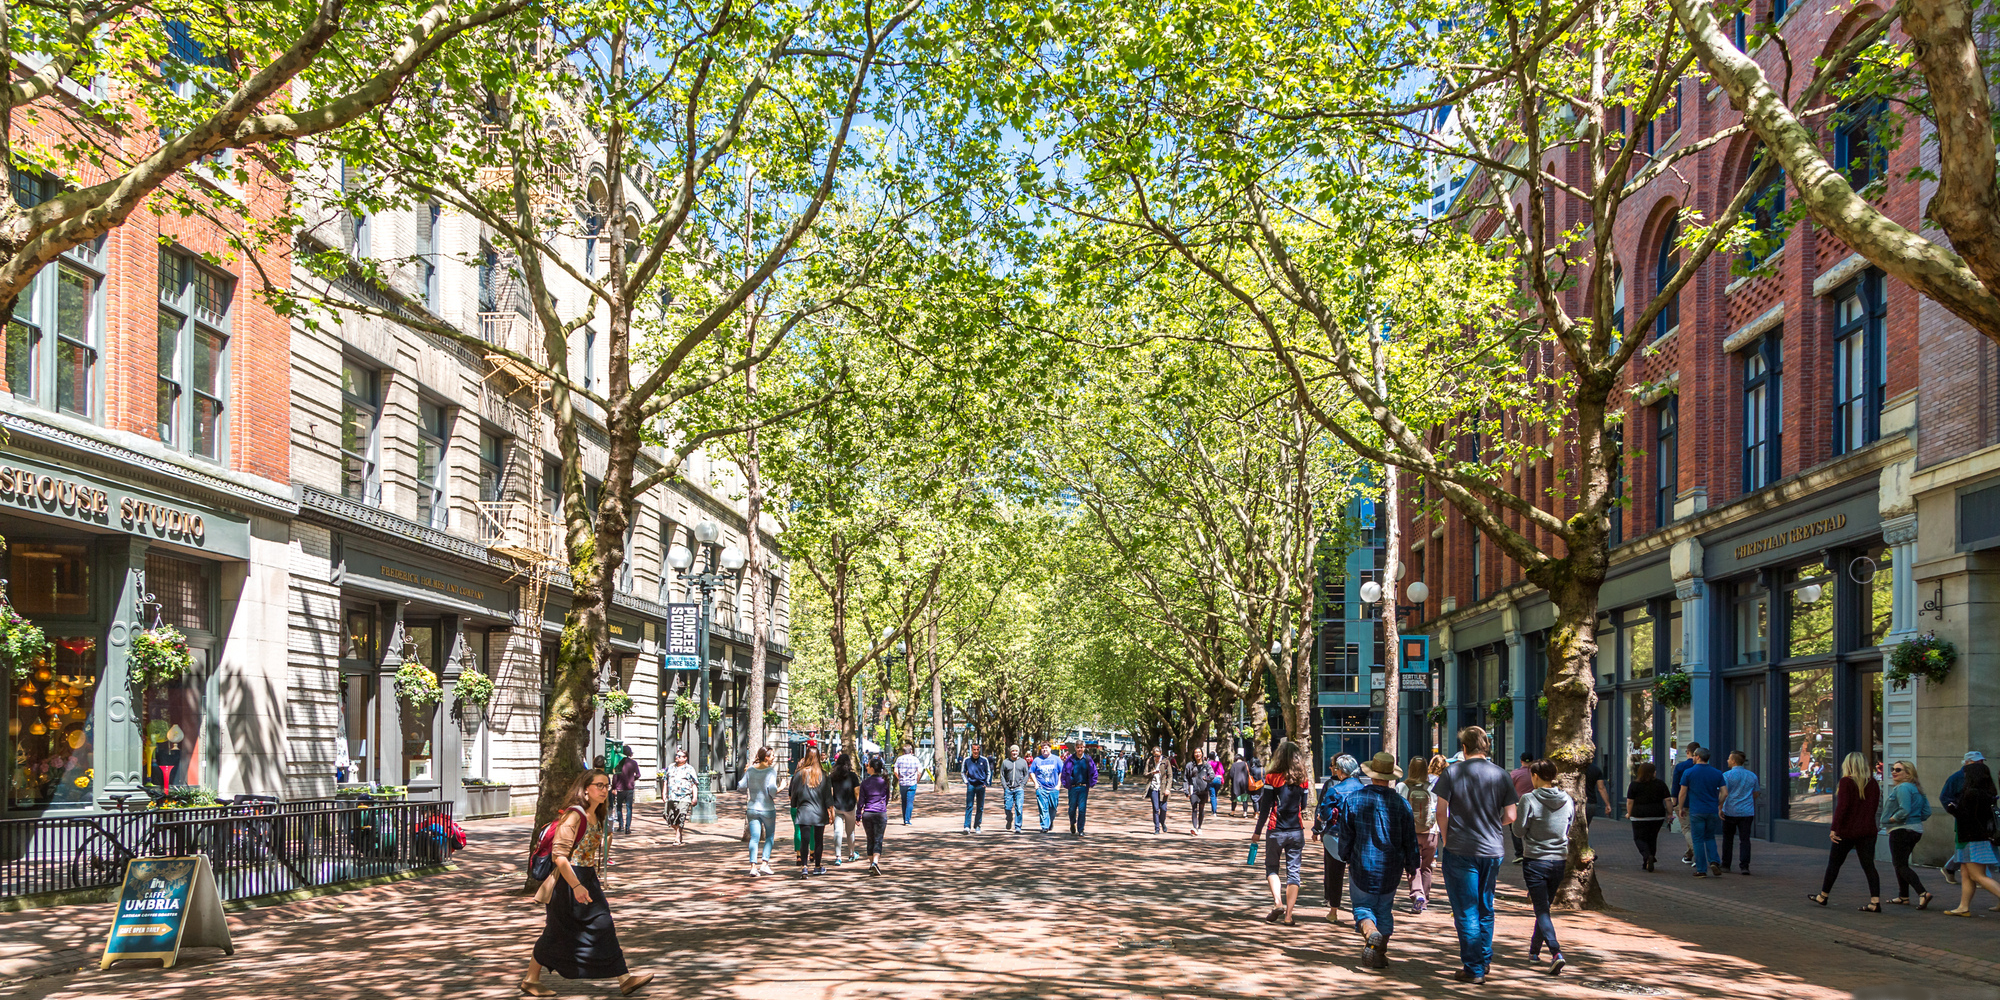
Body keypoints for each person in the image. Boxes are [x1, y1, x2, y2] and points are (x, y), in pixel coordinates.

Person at [522, 769, 653, 997]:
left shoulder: (597, 814)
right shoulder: (574, 815)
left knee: (603, 923)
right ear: (585, 789)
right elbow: (559, 857)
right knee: (557, 932)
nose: (605, 790)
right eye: (599, 786)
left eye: (606, 785)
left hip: (587, 877)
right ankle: (530, 979)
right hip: (568, 881)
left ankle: (624, 978)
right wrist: (576, 886)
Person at [1433, 726, 1517, 986]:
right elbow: (1511, 816)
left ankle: (1474, 968)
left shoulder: (1452, 772)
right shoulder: (1502, 774)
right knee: (1485, 906)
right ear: (1486, 748)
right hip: (1492, 849)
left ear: (1464, 749)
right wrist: (1491, 824)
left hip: (1460, 849)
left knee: (1466, 910)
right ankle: (1484, 958)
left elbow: (1440, 812)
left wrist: (1447, 840)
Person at [1339, 753, 1419, 971]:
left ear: (1371, 774)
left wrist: (1345, 855)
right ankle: (1380, 954)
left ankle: (1370, 932)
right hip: (1391, 867)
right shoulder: (1402, 805)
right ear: (1390, 776)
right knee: (1384, 909)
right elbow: (1410, 839)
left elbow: (1346, 835)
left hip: (1361, 864)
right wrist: (1413, 866)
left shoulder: (1354, 799)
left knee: (1363, 907)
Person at [1516, 759, 1574, 976]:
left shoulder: (1528, 799)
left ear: (1536, 776)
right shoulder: (1567, 799)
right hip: (1559, 860)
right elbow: (1569, 825)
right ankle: (1533, 951)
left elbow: (1519, 831)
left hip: (1535, 860)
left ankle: (1556, 951)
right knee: (1544, 907)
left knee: (1541, 908)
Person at [1808, 751, 1881, 910]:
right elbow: (1874, 808)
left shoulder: (1846, 782)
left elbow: (1842, 808)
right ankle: (1875, 901)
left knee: (1834, 864)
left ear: (1848, 765)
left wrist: (1834, 828)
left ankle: (1823, 896)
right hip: (1867, 831)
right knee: (1869, 866)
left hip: (1847, 830)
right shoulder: (1873, 783)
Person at [1254, 741, 1314, 926]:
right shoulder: (1302, 779)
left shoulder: (1272, 777)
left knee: (1272, 867)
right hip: (1296, 830)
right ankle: (1289, 916)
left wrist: (1257, 832)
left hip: (1276, 829)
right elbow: (1303, 806)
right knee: (1293, 872)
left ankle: (1278, 902)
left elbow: (1265, 808)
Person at [1943, 760, 2000, 916]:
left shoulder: (1971, 793)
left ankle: (1964, 907)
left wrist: (1953, 809)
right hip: (1978, 838)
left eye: (1967, 773)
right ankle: (1963, 906)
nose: (1965, 776)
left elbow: (1967, 818)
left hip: (1970, 839)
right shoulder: (1988, 793)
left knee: (1977, 875)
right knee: (1966, 873)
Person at [1314, 754, 1364, 923]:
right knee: (1357, 875)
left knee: (1335, 874)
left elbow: (1325, 814)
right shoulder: (1363, 789)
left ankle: (1334, 911)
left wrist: (1320, 819)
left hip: (1335, 835)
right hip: (1359, 837)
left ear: (1341, 771)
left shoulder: (1334, 790)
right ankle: (1361, 911)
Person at [1880, 759, 1933, 908]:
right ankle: (1903, 896)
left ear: (1908, 773)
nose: (1893, 772)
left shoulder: (1902, 788)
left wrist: (1892, 819)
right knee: (1900, 864)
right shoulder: (1917, 789)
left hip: (1901, 829)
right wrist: (1915, 820)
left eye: (1898, 770)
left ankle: (1922, 893)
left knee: (1900, 865)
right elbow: (1927, 812)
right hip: (1915, 829)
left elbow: (1904, 810)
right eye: (1893, 769)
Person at [1677, 748, 1726, 877]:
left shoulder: (1688, 772)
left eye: (1694, 756)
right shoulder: (1717, 773)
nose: (1692, 758)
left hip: (1696, 810)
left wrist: (1680, 807)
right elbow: (1725, 792)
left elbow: (1683, 793)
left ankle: (1701, 869)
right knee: (1710, 837)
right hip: (1712, 810)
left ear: (1698, 757)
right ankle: (1714, 861)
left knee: (1698, 840)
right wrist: (1718, 803)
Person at [1399, 754, 1437, 914]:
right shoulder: (1433, 788)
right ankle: (1425, 901)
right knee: (1427, 867)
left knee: (1413, 865)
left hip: (1411, 833)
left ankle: (1417, 894)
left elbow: (1399, 811)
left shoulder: (1402, 787)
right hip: (1431, 833)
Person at [1940, 750, 1984, 884]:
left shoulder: (1981, 776)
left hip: (1978, 815)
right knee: (1968, 845)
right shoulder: (1957, 778)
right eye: (1977, 762)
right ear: (1967, 763)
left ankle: (1976, 875)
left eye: (1981, 762)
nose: (1980, 764)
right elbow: (1945, 797)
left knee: (1973, 846)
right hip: (1965, 816)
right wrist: (1957, 812)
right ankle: (1981, 877)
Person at [738, 747, 779, 877]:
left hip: (752, 808)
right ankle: (765, 864)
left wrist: (746, 774)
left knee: (754, 838)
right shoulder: (771, 771)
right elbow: (772, 790)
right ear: (766, 757)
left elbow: (741, 786)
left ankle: (753, 867)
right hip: (767, 808)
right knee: (769, 836)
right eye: (772, 755)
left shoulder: (750, 770)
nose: (773, 757)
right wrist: (781, 787)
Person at [1624, 761, 1671, 871]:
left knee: (1639, 838)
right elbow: (1668, 800)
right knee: (1652, 838)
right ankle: (1647, 861)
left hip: (1639, 815)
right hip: (1657, 815)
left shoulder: (1634, 785)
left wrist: (1629, 813)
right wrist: (1669, 813)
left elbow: (1630, 801)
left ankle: (1647, 856)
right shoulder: (1660, 784)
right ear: (1653, 773)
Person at [790, 748, 830, 876]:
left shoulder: (799, 774)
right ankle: (817, 866)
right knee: (818, 840)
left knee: (804, 840)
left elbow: (794, 793)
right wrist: (831, 811)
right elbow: (828, 796)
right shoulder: (823, 775)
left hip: (804, 811)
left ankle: (804, 867)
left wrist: (794, 805)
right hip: (819, 812)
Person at [1720, 752, 1760, 875]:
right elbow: (1756, 793)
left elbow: (1724, 793)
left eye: (1728, 758)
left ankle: (1726, 864)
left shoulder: (1727, 775)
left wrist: (1720, 807)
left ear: (1733, 761)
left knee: (1728, 839)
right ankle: (1744, 866)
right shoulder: (1752, 776)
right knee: (1745, 839)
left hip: (1730, 810)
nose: (1727, 760)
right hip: (1746, 811)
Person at [859, 756, 891, 875]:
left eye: (868, 765)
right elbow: (887, 797)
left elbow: (861, 801)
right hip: (880, 813)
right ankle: (875, 863)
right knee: (878, 839)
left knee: (870, 839)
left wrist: (858, 815)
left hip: (867, 814)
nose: (866, 767)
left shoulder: (865, 783)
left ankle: (872, 863)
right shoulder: (885, 782)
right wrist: (883, 807)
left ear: (872, 768)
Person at [1670, 742, 1701, 865]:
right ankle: (1689, 854)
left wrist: (1675, 803)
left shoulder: (1681, 767)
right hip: (1698, 802)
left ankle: (1697, 854)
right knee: (1696, 829)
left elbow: (1675, 786)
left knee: (1687, 829)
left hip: (1684, 801)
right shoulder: (1702, 767)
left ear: (1688, 751)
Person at [827, 752, 861, 864]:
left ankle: (838, 856)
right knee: (850, 831)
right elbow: (857, 793)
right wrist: (860, 808)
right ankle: (851, 854)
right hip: (850, 807)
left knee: (837, 831)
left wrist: (830, 808)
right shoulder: (853, 776)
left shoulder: (832, 777)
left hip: (837, 807)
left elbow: (830, 793)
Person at [663, 748, 697, 847]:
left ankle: (677, 836)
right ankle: (678, 829)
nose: (676, 757)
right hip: (671, 796)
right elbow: (665, 781)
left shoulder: (690, 769)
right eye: (676, 755)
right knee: (668, 816)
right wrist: (664, 794)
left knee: (681, 815)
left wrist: (694, 797)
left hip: (684, 797)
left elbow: (694, 784)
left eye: (679, 756)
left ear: (685, 758)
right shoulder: (670, 767)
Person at [1064, 742, 1099, 833]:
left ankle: (1081, 829)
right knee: (1072, 809)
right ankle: (1072, 823)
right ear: (1075, 748)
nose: (1080, 749)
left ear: (1084, 748)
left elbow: (1094, 772)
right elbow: (1064, 772)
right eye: (1078, 747)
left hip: (1083, 787)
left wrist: (1092, 783)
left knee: (1082, 809)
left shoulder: (1088, 759)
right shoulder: (1070, 759)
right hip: (1073, 788)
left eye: (1081, 747)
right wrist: (1066, 783)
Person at [1030, 744, 1063, 832]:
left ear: (1050, 749)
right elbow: (1031, 772)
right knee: (1043, 808)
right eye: (1043, 748)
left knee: (1053, 807)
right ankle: (1044, 826)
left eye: (1046, 748)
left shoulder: (1057, 759)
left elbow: (1062, 772)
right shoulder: (1037, 760)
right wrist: (1036, 784)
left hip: (1054, 788)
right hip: (1041, 788)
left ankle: (1050, 821)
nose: (1044, 750)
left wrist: (1058, 785)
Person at [960, 742, 992, 834]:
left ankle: (977, 825)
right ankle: (967, 826)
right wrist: (966, 782)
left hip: (981, 786)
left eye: (977, 750)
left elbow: (988, 772)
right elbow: (962, 772)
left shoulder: (984, 760)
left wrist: (986, 782)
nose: (976, 751)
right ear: (971, 750)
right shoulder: (967, 760)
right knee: (969, 806)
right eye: (974, 750)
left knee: (980, 807)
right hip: (971, 785)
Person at [1508, 753, 1534, 863]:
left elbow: (1509, 788)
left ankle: (1519, 853)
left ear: (1521, 761)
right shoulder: (1535, 773)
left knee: (1515, 829)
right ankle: (1531, 852)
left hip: (1518, 805)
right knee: (1532, 829)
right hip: (1534, 805)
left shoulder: (1515, 773)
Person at [999, 745, 1030, 833]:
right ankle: (1009, 819)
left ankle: (1018, 826)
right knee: (1007, 807)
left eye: (1016, 751)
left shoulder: (1023, 762)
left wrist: (1022, 785)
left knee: (1019, 807)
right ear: (1010, 752)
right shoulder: (1005, 762)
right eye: (1013, 751)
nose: (1014, 753)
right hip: (1008, 789)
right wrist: (1005, 786)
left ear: (1018, 752)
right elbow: (1002, 775)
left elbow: (1026, 774)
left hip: (1019, 789)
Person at [612, 749, 641, 836]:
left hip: (620, 788)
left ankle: (621, 825)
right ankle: (628, 827)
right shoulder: (633, 763)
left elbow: (615, 777)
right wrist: (632, 780)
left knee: (619, 807)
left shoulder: (619, 763)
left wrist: (614, 787)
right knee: (629, 808)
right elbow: (638, 775)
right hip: (630, 788)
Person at [1183, 753, 1212, 835]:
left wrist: (1208, 779)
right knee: (1194, 808)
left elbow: (1212, 775)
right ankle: (1194, 827)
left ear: (1202, 754)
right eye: (1196, 752)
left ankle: (1199, 827)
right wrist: (1186, 791)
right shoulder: (1189, 765)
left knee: (1201, 809)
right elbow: (1186, 778)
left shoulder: (1206, 765)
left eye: (1199, 752)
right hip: (1193, 791)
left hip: (1203, 790)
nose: (1197, 754)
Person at [893, 744, 922, 825]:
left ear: (903, 751)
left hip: (902, 783)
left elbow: (895, 771)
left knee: (904, 801)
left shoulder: (899, 759)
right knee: (910, 802)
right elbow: (919, 771)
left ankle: (904, 818)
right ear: (911, 751)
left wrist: (899, 778)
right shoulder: (915, 759)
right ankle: (907, 820)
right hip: (912, 783)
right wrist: (917, 779)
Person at [1145, 747, 1171, 834]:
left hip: (1163, 788)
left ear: (1161, 753)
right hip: (1153, 788)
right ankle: (1157, 828)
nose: (1157, 757)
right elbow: (1145, 774)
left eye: (1158, 755)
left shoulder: (1166, 761)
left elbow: (1170, 776)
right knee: (1156, 809)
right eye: (1155, 756)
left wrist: (1168, 789)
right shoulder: (1150, 761)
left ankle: (1162, 822)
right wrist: (1151, 773)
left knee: (1163, 809)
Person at [1208, 751, 1226, 817]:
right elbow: (1223, 772)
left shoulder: (1208, 763)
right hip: (1218, 779)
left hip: (1211, 780)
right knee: (1215, 795)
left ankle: (1214, 811)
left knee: (1212, 795)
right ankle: (1214, 808)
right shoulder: (1219, 763)